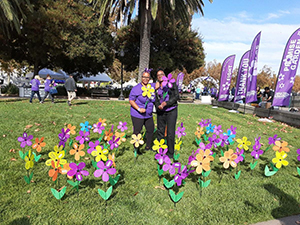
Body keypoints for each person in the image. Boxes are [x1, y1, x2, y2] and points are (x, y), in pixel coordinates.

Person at [155, 69, 179, 159]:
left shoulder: (172, 84)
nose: (160, 76)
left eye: (161, 74)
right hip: (161, 111)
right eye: (158, 75)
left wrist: (166, 103)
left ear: (165, 75)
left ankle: (170, 153)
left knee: (170, 132)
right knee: (160, 131)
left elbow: (176, 96)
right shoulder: (156, 86)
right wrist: (158, 106)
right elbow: (155, 98)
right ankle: (160, 151)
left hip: (171, 110)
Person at [129, 70, 155, 151]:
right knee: (137, 131)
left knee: (150, 129)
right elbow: (131, 100)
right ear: (141, 77)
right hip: (137, 114)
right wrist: (138, 109)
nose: (145, 79)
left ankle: (148, 147)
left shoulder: (152, 86)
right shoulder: (136, 89)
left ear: (149, 78)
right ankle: (136, 148)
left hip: (148, 114)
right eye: (144, 77)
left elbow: (160, 84)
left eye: (147, 77)